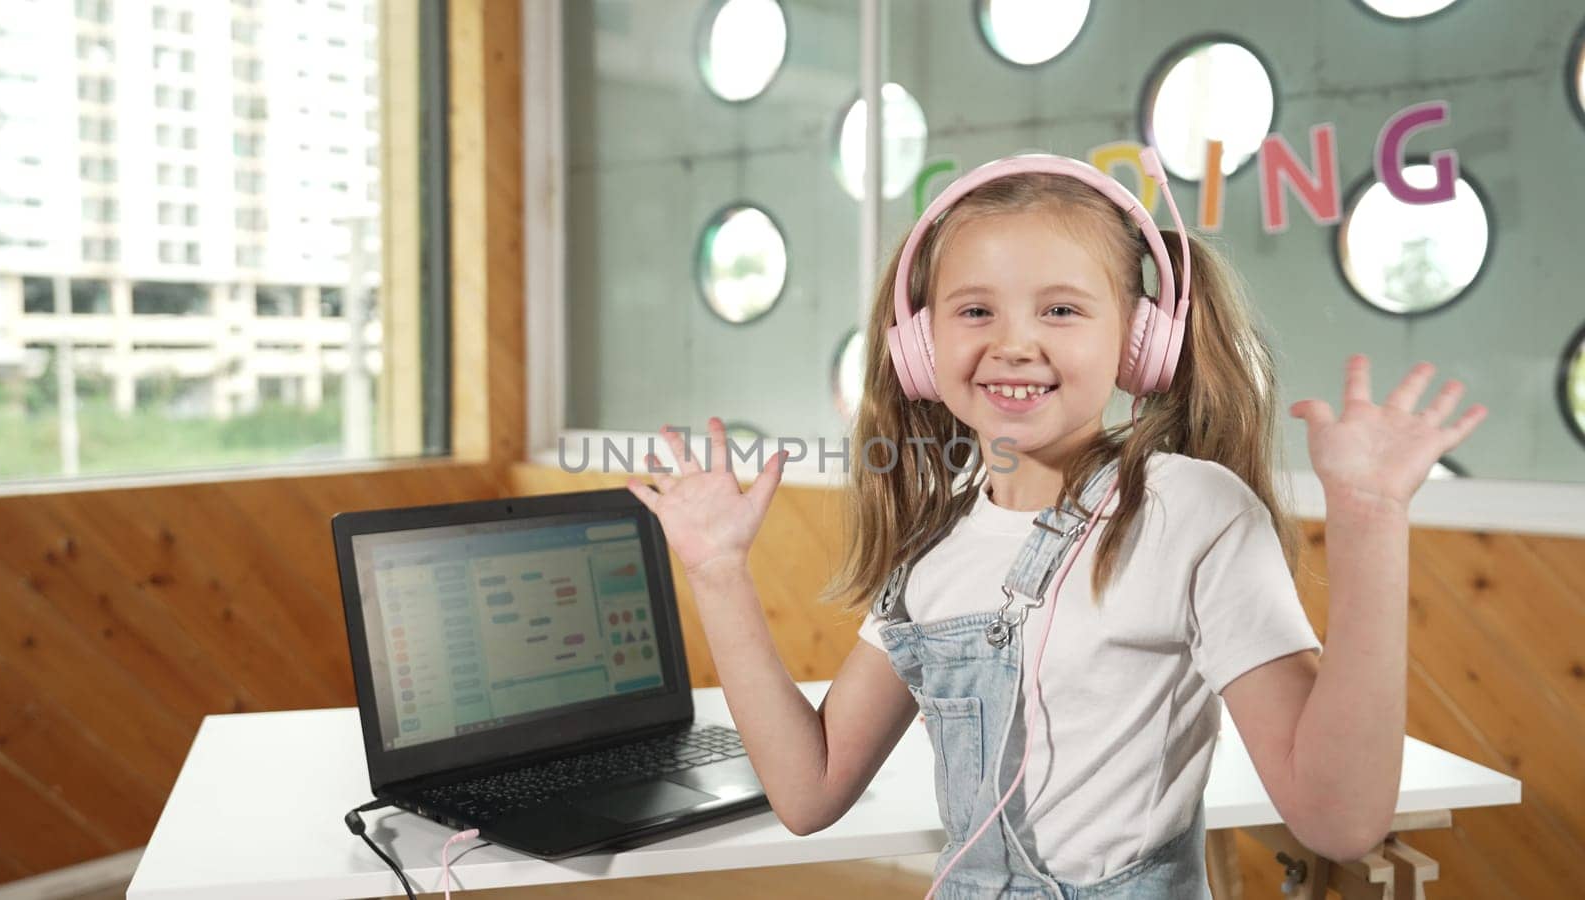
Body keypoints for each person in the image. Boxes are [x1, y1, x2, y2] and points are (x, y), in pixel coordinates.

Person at [624, 149, 1486, 899]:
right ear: (920, 350)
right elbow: (807, 793)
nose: (1014, 343)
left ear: (1140, 341)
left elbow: (1337, 819)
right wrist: (718, 573)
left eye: (1062, 310)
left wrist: (1371, 527)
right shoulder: (933, 550)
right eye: (974, 311)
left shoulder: (1191, 511)